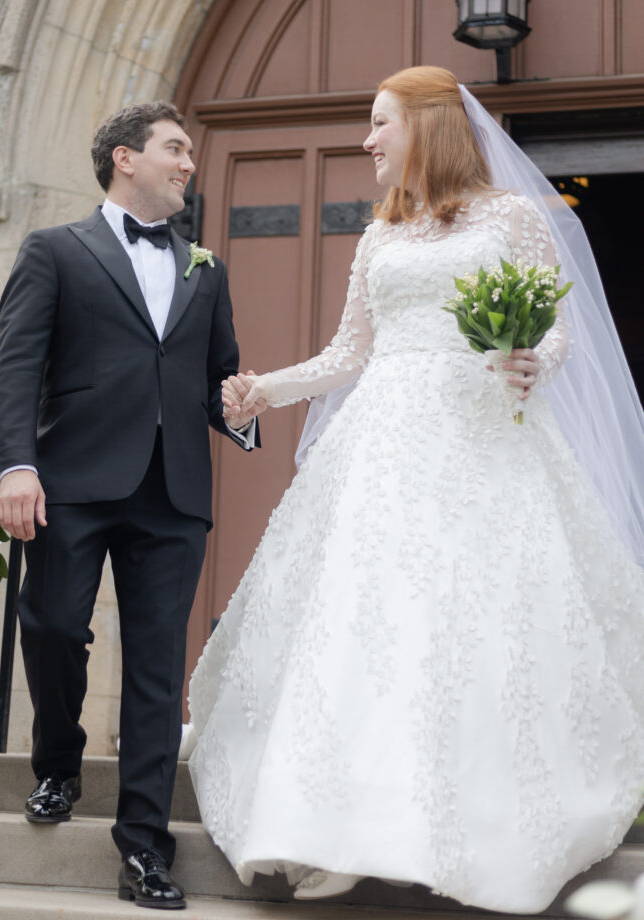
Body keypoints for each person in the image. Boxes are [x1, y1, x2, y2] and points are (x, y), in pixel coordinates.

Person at [186, 67, 644, 914]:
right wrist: (267, 388)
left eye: (378, 123)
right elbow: (347, 354)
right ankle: (331, 827)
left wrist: (526, 362)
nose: (365, 140)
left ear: (426, 126)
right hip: (381, 446)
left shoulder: (511, 218)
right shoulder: (378, 234)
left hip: (482, 439)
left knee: (473, 624)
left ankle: (466, 827)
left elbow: (558, 333)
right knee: (363, 620)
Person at [0, 102, 264, 910]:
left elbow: (220, 379)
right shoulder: (54, 252)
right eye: (174, 149)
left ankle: (145, 847)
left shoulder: (204, 268)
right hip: (69, 483)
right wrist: (15, 468)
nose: (187, 164)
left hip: (172, 494)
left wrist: (241, 412)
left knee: (153, 667)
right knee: (51, 626)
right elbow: (16, 369)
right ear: (123, 158)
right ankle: (58, 762)